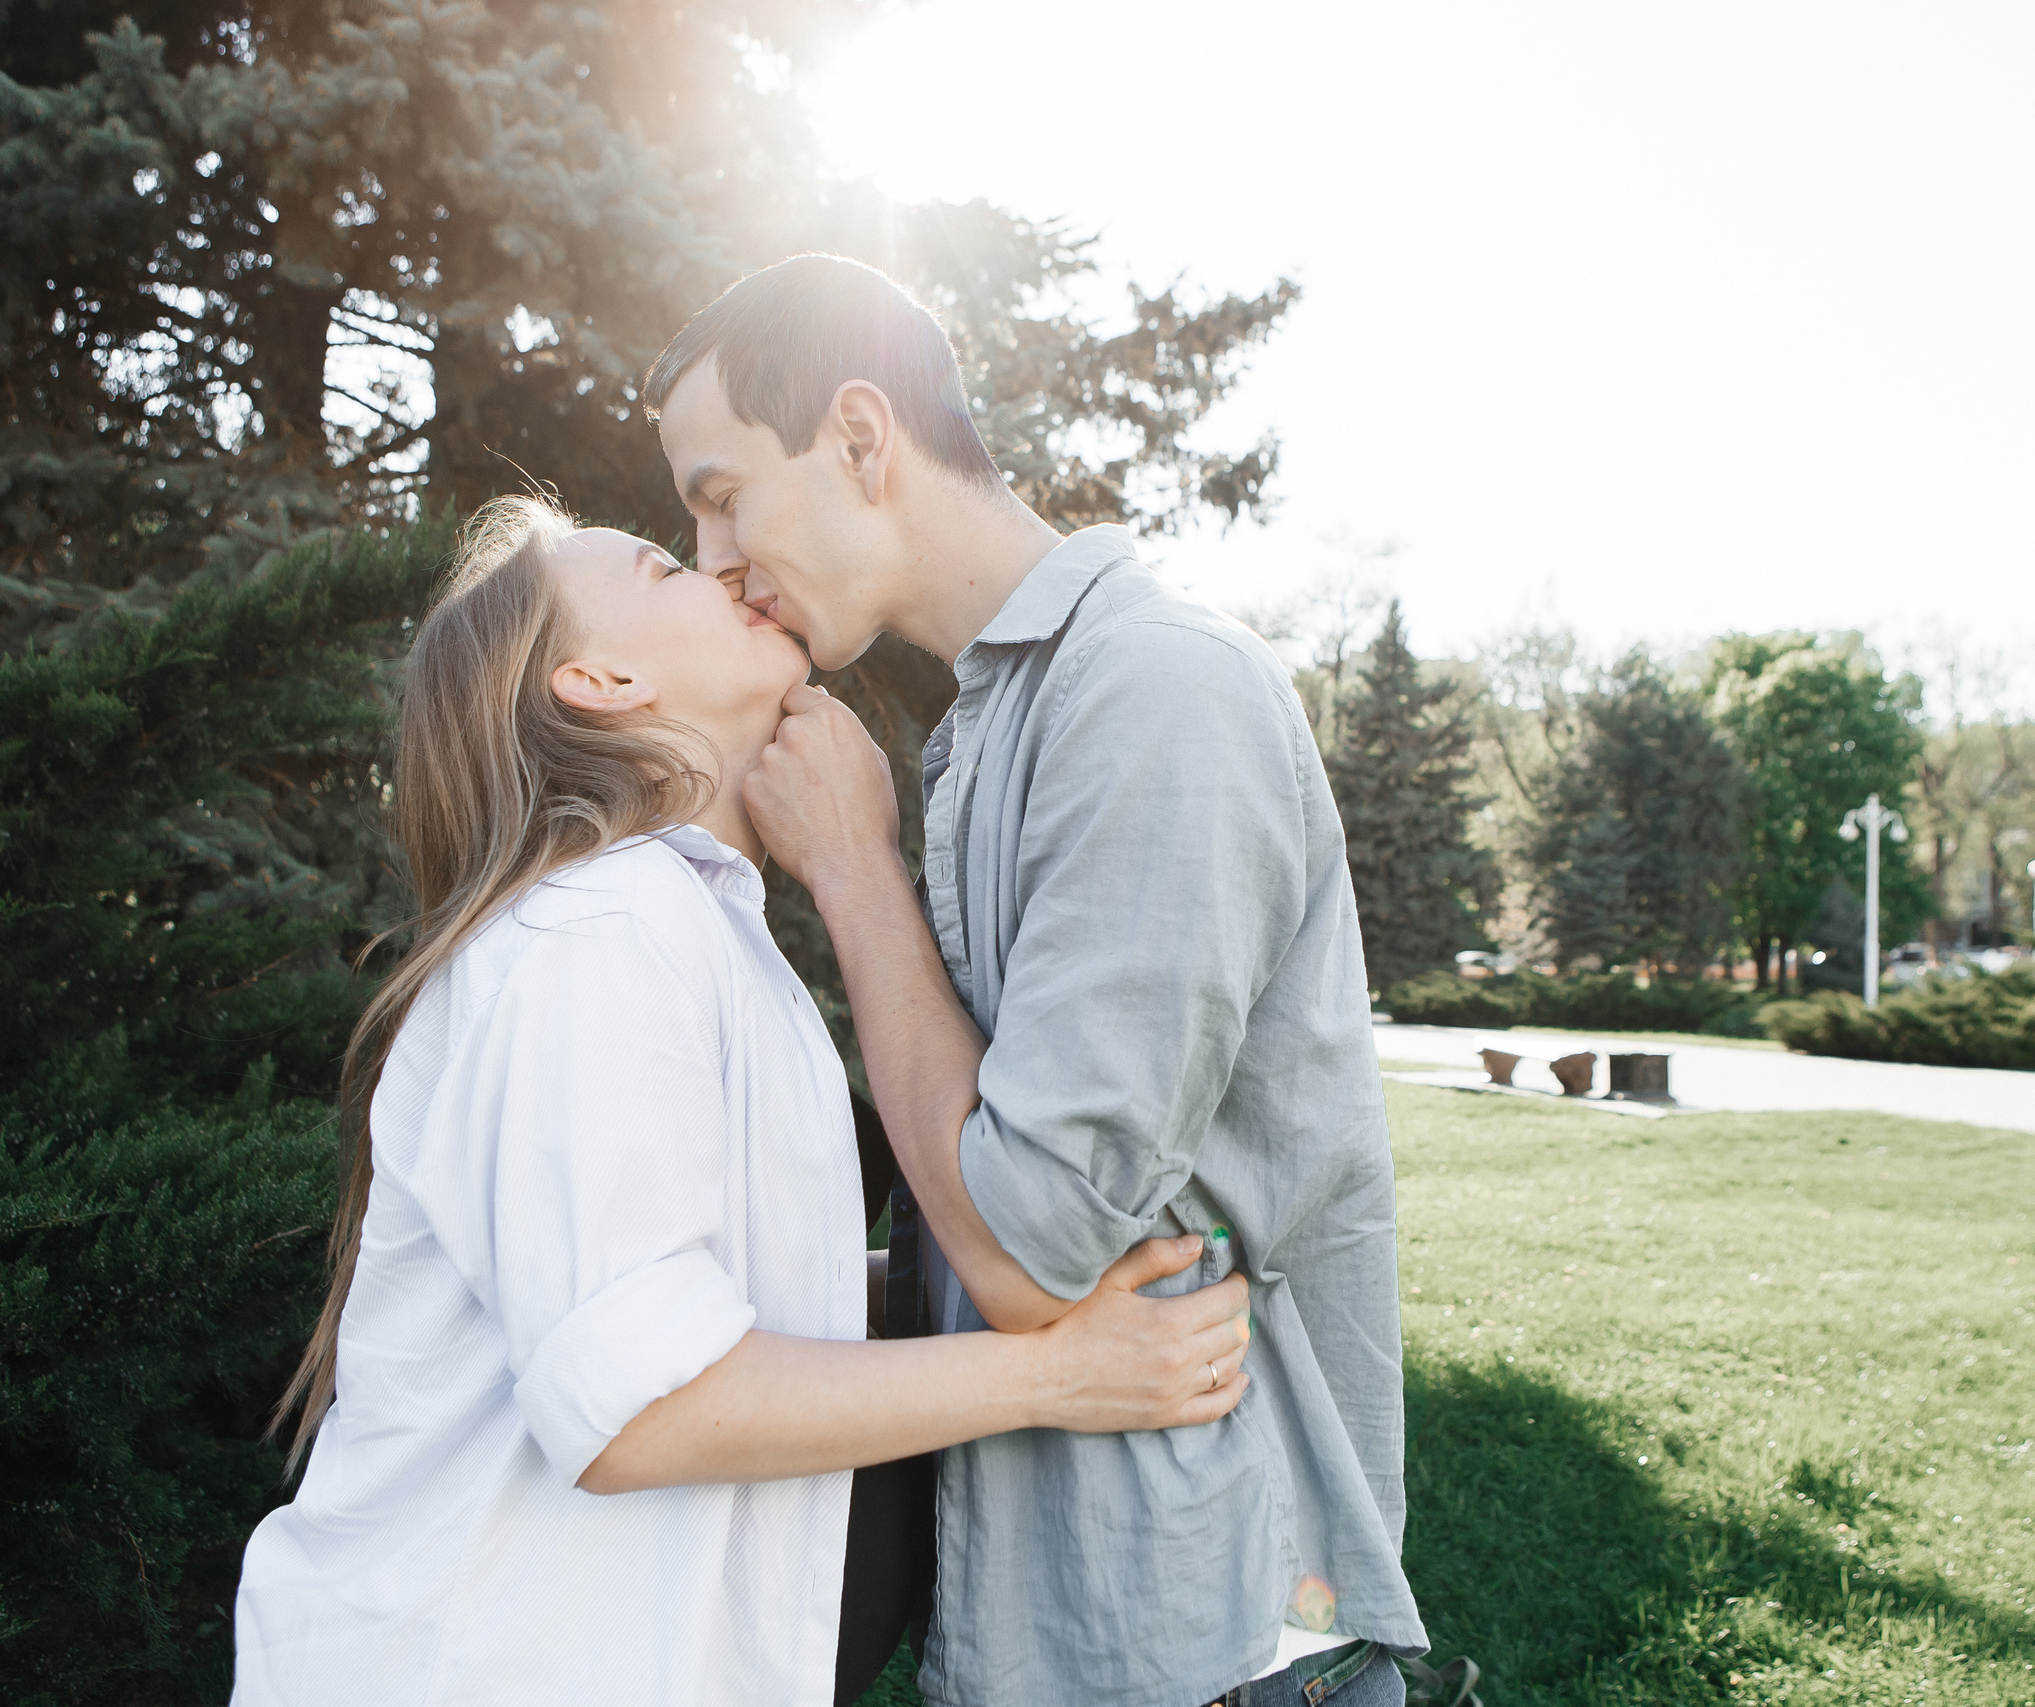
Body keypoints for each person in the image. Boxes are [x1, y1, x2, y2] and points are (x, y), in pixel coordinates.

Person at [229, 496, 1252, 1706]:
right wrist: (1059, 1376)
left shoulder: (687, 925)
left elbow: (711, 1298)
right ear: (600, 681)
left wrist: (992, 1273)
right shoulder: (596, 931)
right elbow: (644, 1405)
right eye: (665, 567)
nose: (723, 567)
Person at [646, 255, 1429, 1707]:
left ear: (860, 435)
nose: (711, 558)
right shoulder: (1005, 719)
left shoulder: (1153, 691)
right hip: (1063, 1630)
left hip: (1212, 1646)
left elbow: (1024, 1245)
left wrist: (857, 870)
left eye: (723, 494)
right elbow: (979, 1204)